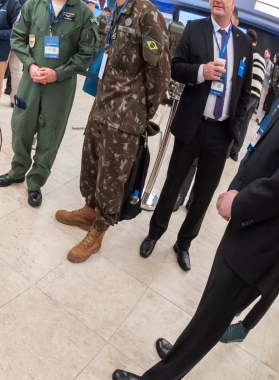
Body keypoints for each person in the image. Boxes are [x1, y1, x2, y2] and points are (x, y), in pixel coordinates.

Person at [113, 97, 279, 380]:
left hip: (262, 241)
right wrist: (239, 189)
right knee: (210, 310)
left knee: (212, 319)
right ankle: (181, 351)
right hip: (250, 225)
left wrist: (241, 204)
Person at [56, 0, 170, 263]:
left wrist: (142, 115)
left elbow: (160, 75)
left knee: (112, 176)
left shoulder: (148, 15)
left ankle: (99, 231)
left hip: (126, 117)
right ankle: (89, 210)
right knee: (92, 162)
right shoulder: (117, 12)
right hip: (102, 106)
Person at [139, 0, 252, 271]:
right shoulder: (195, 29)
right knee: (172, 185)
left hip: (221, 133)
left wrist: (236, 128)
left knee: (202, 197)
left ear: (232, 2)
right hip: (192, 125)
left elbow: (243, 93)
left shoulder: (243, 43)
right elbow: (176, 67)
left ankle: (184, 243)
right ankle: (155, 233)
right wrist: (202, 71)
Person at [0, 0, 97, 207]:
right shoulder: (33, 4)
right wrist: (30, 65)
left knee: (50, 134)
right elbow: (18, 37)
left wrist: (58, 73)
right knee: (21, 128)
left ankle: (36, 182)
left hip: (60, 85)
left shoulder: (83, 13)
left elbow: (87, 54)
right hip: (31, 80)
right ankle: (18, 171)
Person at [229, 27, 265, 160]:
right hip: (256, 95)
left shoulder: (250, 51)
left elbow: (243, 72)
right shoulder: (261, 57)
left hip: (248, 93)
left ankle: (227, 150)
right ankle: (235, 152)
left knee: (237, 120)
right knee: (245, 125)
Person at [4, 0, 30, 99]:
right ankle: (15, 99)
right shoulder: (28, 0)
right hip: (21, 40)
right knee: (17, 71)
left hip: (4, 39)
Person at [260, 53, 279, 122]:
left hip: (272, 90)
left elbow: (274, 80)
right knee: (268, 106)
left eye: (275, 57)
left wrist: (273, 89)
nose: (274, 58)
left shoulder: (276, 67)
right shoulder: (275, 67)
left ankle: (264, 121)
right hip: (272, 90)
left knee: (268, 107)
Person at [257, 49, 273, 121]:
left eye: (266, 53)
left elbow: (271, 76)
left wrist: (266, 73)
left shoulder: (272, 65)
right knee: (256, 99)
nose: (265, 54)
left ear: (269, 55)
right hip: (259, 82)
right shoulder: (262, 61)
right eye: (265, 52)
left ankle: (258, 117)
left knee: (261, 102)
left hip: (265, 85)